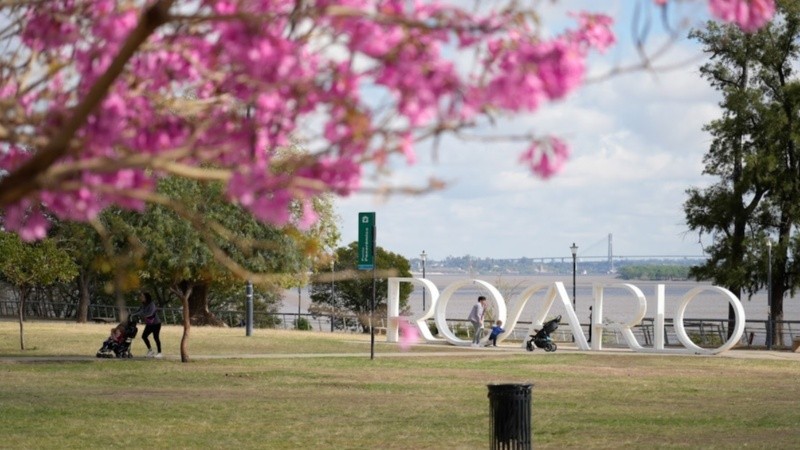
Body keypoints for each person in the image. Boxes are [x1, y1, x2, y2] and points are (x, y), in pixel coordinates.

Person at [135, 292, 162, 358]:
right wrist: (133, 314)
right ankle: (150, 351)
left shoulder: (151, 304)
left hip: (156, 323)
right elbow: (139, 311)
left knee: (156, 337)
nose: (140, 298)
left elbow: (150, 313)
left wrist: (141, 315)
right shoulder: (143, 305)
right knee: (144, 336)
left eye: (142, 296)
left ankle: (159, 353)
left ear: (146, 297)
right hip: (149, 324)